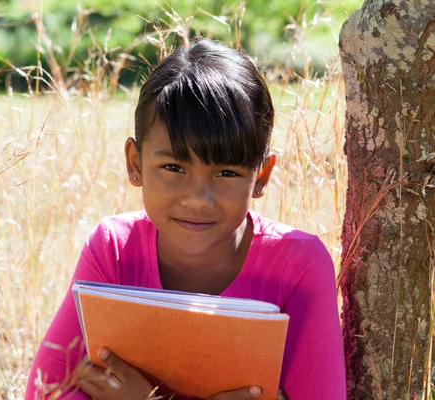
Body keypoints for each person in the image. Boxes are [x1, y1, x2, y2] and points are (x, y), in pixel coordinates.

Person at [25, 39, 346, 400]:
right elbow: (47, 391)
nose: (197, 199)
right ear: (135, 163)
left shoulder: (296, 266)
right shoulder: (113, 249)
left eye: (226, 173)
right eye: (173, 167)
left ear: (261, 176)